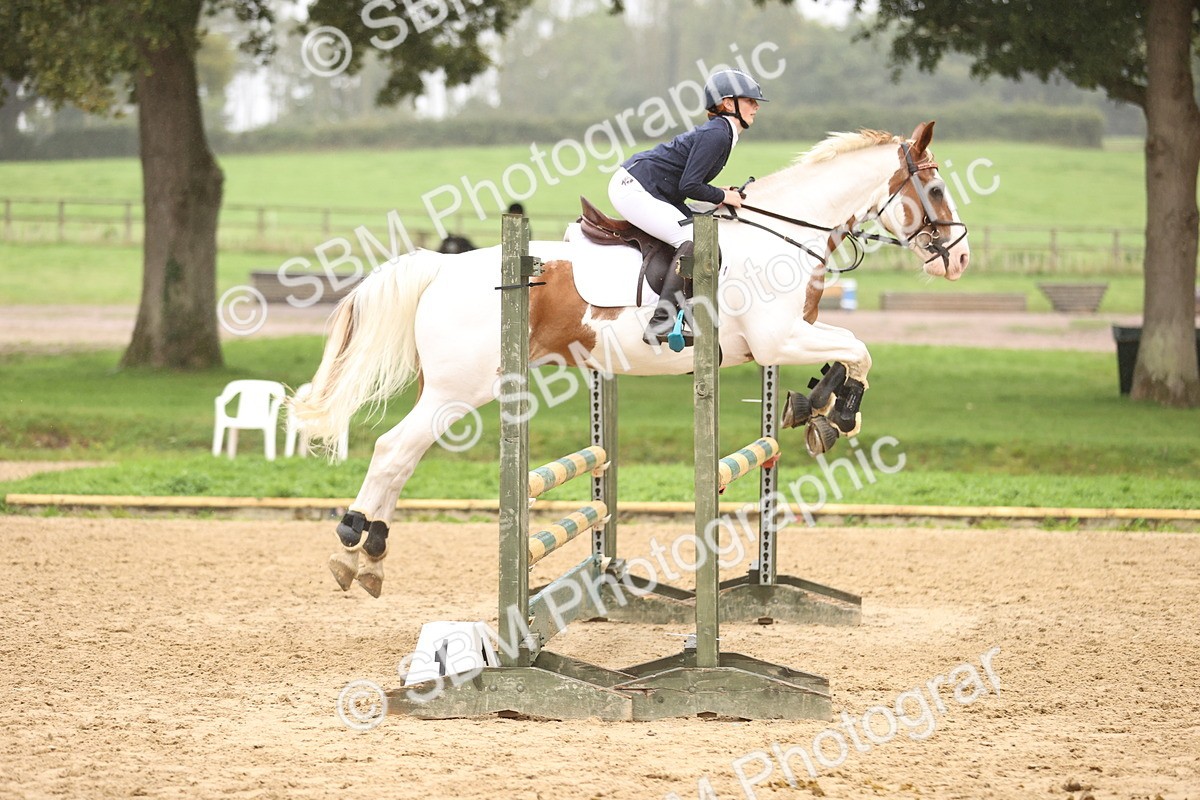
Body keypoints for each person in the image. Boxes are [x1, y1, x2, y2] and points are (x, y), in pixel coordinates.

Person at [608, 68, 767, 344]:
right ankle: (661, 322)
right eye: (750, 100)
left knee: (705, 236)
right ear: (728, 103)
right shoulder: (719, 133)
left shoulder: (723, 132)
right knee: (693, 239)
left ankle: (686, 311)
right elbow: (689, 186)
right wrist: (721, 196)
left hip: (651, 188)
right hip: (634, 187)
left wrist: (720, 191)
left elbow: (689, 180)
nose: (755, 106)